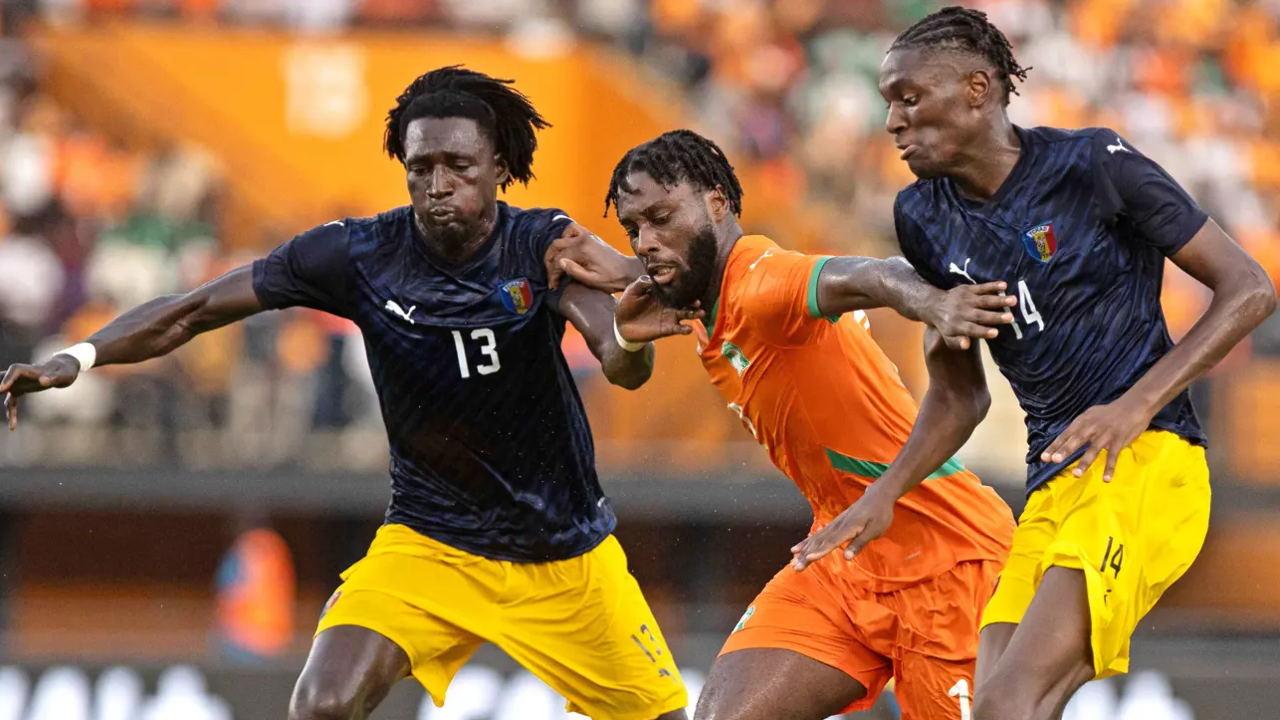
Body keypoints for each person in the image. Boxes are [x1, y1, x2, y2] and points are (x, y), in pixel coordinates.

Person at [1, 67, 698, 720]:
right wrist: (79, 355)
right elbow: (196, 308)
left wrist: (634, 337)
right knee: (323, 703)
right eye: (421, 166)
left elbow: (619, 357)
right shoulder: (359, 255)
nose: (438, 183)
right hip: (430, 545)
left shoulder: (543, 245)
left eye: (458, 165)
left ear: (499, 170)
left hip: (562, 558)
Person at [790, 7, 1278, 720]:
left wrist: (1136, 404)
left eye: (910, 98)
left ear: (980, 89)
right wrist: (886, 491)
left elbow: (1250, 289)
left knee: (1008, 703)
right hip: (1052, 487)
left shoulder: (1093, 167)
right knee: (993, 709)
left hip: (1147, 464)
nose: (892, 121)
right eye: (887, 102)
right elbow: (962, 397)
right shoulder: (922, 218)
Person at [548, 128, 1016, 720]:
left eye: (662, 218)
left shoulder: (762, 282)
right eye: (635, 229)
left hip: (946, 560)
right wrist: (618, 291)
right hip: (842, 557)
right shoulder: (698, 295)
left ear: (718, 203)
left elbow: (873, 274)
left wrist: (937, 305)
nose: (647, 241)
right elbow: (631, 349)